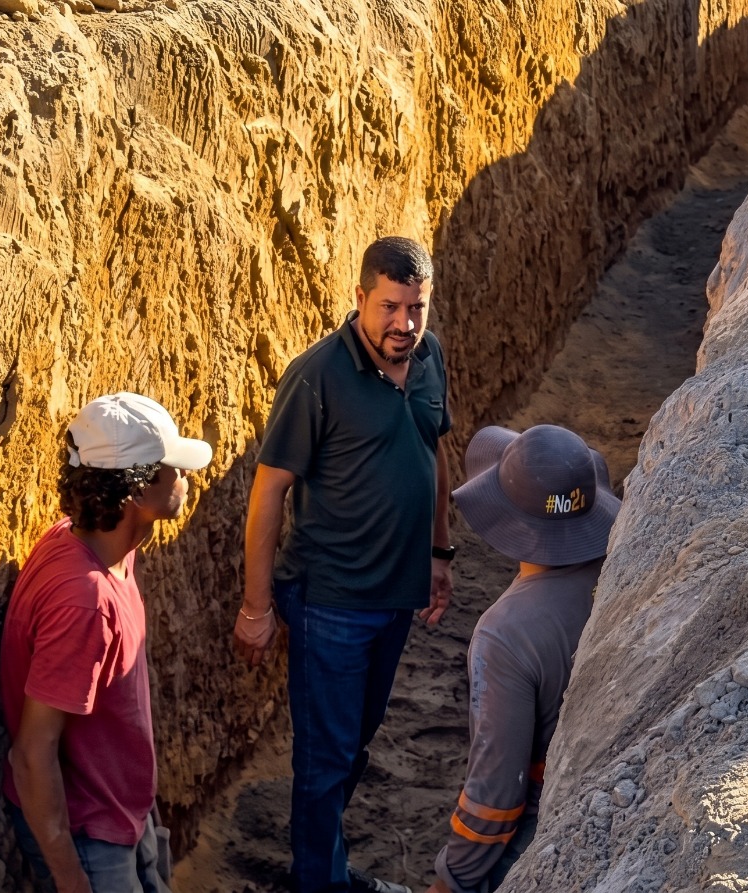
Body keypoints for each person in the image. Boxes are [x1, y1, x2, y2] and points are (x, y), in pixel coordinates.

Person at [234, 236, 455, 893]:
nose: (404, 324)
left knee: (352, 747)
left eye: (416, 308)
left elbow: (434, 452)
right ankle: (318, 880)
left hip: (397, 597)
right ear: (360, 298)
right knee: (325, 762)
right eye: (389, 306)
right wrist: (255, 606)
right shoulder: (317, 376)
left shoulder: (429, 357)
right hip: (331, 601)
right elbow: (269, 490)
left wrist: (440, 553)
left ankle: (326, 867)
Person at [0, 392, 212, 893]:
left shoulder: (94, 543)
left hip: (120, 818)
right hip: (90, 840)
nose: (186, 478)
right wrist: (73, 880)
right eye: (174, 469)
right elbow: (33, 753)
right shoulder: (85, 603)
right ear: (136, 492)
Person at [426, 424, 620, 893]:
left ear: (508, 518)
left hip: (545, 823)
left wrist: (455, 877)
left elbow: (497, 787)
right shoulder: (621, 564)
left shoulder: (505, 634)